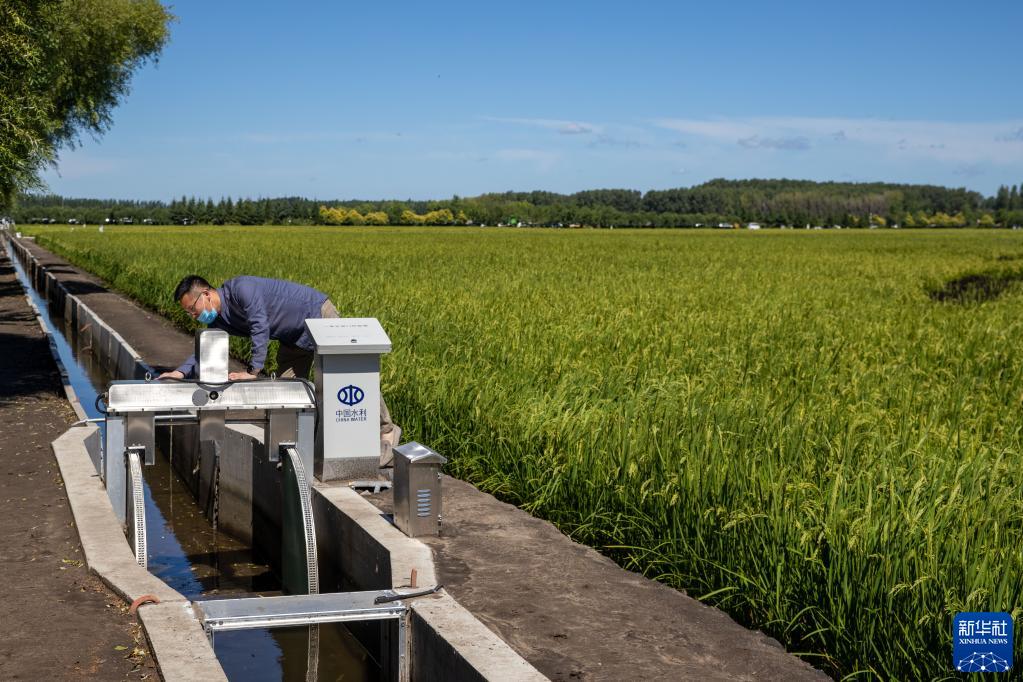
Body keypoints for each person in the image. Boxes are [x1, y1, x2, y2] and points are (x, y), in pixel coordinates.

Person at [158, 274, 400, 464]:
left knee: (351, 376)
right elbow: (207, 345)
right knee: (289, 393)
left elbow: (259, 324)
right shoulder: (219, 319)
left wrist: (253, 371)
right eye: (189, 313)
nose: (193, 316)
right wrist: (180, 372)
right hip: (292, 336)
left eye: (193, 309)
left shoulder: (241, 288)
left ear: (207, 294)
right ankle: (305, 450)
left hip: (317, 316)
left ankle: (386, 432)